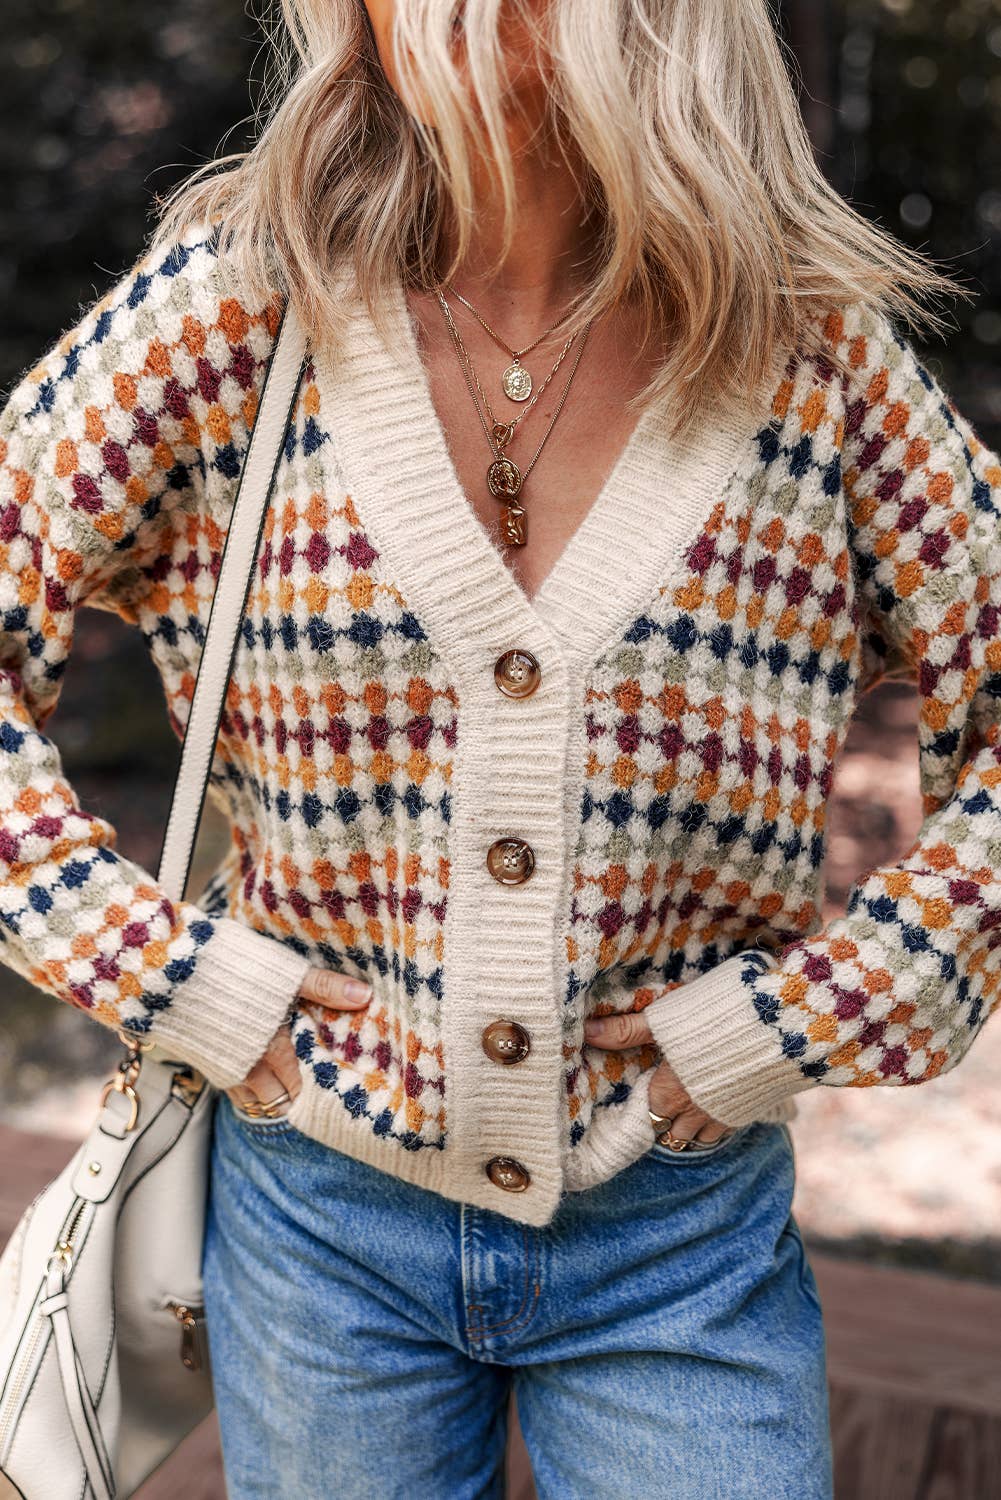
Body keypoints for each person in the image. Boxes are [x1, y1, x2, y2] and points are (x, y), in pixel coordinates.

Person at [0, 1, 994, 1496]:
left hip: (681, 1239)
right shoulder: (236, 312)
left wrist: (827, 1008)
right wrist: (164, 973)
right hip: (315, 1221)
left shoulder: (811, 357)